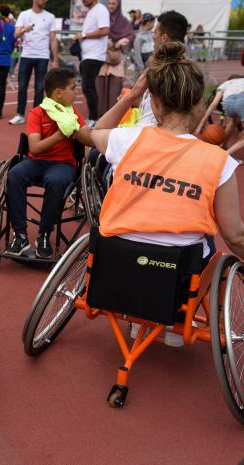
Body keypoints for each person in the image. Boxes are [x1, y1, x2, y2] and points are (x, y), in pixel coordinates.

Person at [90, 42, 244, 315]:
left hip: (116, 266)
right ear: (199, 104)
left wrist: (130, 96)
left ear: (155, 103)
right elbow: (234, 235)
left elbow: (96, 130)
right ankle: (179, 317)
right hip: (176, 277)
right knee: (209, 242)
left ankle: (136, 312)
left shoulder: (127, 140)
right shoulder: (220, 161)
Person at [5, 68, 92, 258]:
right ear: (58, 93)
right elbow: (34, 148)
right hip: (37, 161)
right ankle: (20, 235)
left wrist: (75, 128)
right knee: (14, 175)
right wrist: (61, 133)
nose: (76, 92)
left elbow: (89, 140)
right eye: (73, 88)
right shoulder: (37, 113)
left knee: (56, 181)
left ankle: (44, 233)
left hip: (63, 164)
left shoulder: (73, 113)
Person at [96, 10, 189, 130]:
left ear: (164, 38)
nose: (153, 36)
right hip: (170, 130)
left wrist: (131, 98)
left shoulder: (160, 70)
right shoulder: (189, 69)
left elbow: (159, 113)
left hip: (150, 133)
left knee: (96, 135)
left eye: (155, 32)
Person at [8, 0, 58, 125]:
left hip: (43, 56)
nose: (45, 1)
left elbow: (53, 39)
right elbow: (16, 34)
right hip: (26, 55)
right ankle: (20, 115)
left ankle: (37, 116)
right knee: (22, 86)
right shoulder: (24, 15)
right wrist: (25, 29)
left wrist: (55, 59)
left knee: (40, 88)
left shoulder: (50, 16)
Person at [73, 0, 110, 126]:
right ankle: (94, 118)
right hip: (88, 55)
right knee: (88, 87)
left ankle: (94, 119)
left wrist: (83, 35)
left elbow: (105, 30)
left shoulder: (100, 9)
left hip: (94, 55)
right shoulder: (92, 11)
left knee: (88, 87)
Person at [96, 0, 134, 117]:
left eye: (114, 4)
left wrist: (118, 43)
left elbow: (130, 36)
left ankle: (112, 119)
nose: (111, 6)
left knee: (114, 91)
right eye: (109, 3)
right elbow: (95, 34)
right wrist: (104, 41)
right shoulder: (102, 19)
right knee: (100, 91)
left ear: (118, 6)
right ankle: (100, 118)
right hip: (102, 59)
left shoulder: (123, 22)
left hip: (116, 60)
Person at [197, 77, 244, 153]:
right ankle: (227, 153)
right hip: (242, 99)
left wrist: (201, 124)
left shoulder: (224, 85)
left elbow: (213, 104)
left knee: (234, 121)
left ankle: (223, 145)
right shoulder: (242, 81)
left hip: (227, 103)